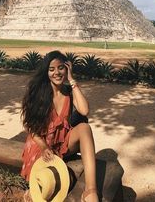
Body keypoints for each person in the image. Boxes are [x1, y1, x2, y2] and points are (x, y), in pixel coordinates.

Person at [21, 50, 99, 202]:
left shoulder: (69, 92)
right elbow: (30, 127)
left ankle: (90, 190)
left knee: (84, 128)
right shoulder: (39, 93)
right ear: (46, 72)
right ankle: (33, 192)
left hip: (61, 143)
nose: (56, 73)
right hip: (41, 146)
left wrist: (72, 80)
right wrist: (44, 147)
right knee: (48, 182)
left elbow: (84, 110)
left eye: (61, 68)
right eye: (51, 69)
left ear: (67, 68)